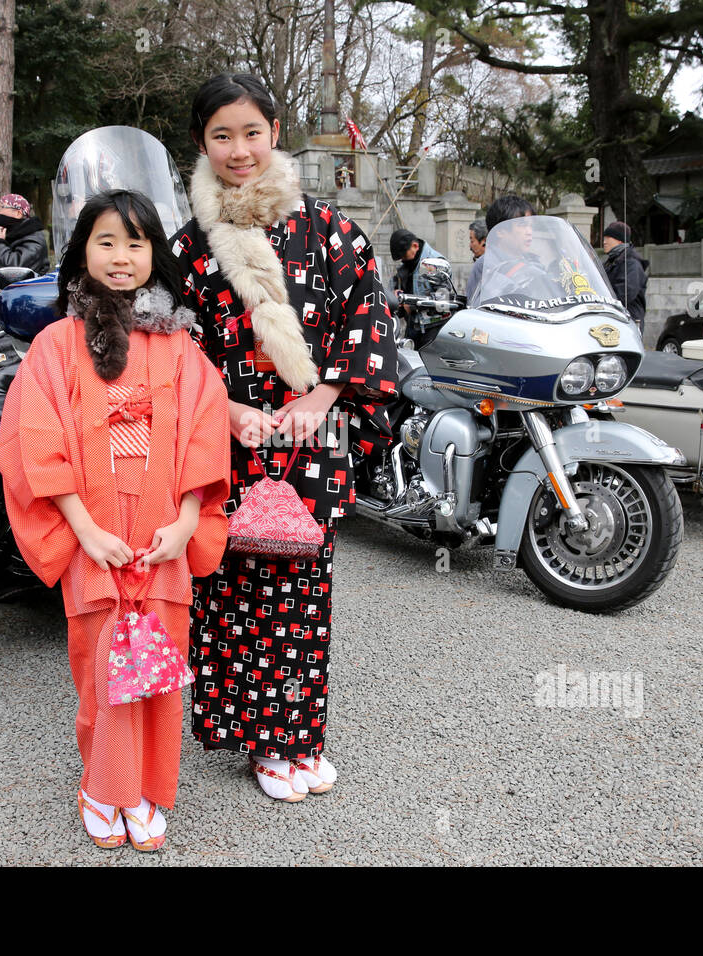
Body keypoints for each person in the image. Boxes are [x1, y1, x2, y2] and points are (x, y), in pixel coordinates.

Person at [172, 73, 399, 803]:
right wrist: (225, 408)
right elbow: (173, 346)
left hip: (309, 437)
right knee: (232, 591)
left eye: (251, 132)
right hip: (227, 439)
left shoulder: (330, 230)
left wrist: (326, 393)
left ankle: (299, 737)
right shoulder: (185, 247)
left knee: (303, 592)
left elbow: (368, 315)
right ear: (202, 142)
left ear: (274, 131)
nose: (238, 149)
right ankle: (256, 740)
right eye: (221, 135)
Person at [0, 189, 231, 851]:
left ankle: (146, 789)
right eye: (106, 241)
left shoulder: (181, 347)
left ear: (154, 253)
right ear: (81, 252)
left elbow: (205, 435)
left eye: (135, 242)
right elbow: (35, 437)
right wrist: (81, 529)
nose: (122, 257)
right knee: (102, 662)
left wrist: (188, 521)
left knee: (158, 658)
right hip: (91, 524)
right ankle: (104, 788)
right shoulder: (55, 344)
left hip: (164, 527)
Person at [468, 194, 534, 302]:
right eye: (522, 225)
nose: (529, 232)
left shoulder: (532, 261)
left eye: (531, 225)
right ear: (500, 231)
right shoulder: (486, 264)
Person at [0, 193, 49, 275]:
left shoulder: (34, 240)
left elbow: (14, 269)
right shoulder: (9, 234)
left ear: (18, 213)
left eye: (2, 207)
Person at [601, 220, 649, 331]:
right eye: (604, 238)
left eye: (608, 238)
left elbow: (625, 294)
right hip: (611, 320)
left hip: (628, 322)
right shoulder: (610, 262)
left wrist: (602, 300)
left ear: (619, 240)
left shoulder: (632, 264)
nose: (604, 242)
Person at [389, 228, 441, 296]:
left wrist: (413, 303)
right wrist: (393, 294)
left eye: (404, 256)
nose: (402, 260)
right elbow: (390, 289)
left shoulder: (436, 263)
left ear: (415, 246)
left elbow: (442, 297)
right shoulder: (406, 263)